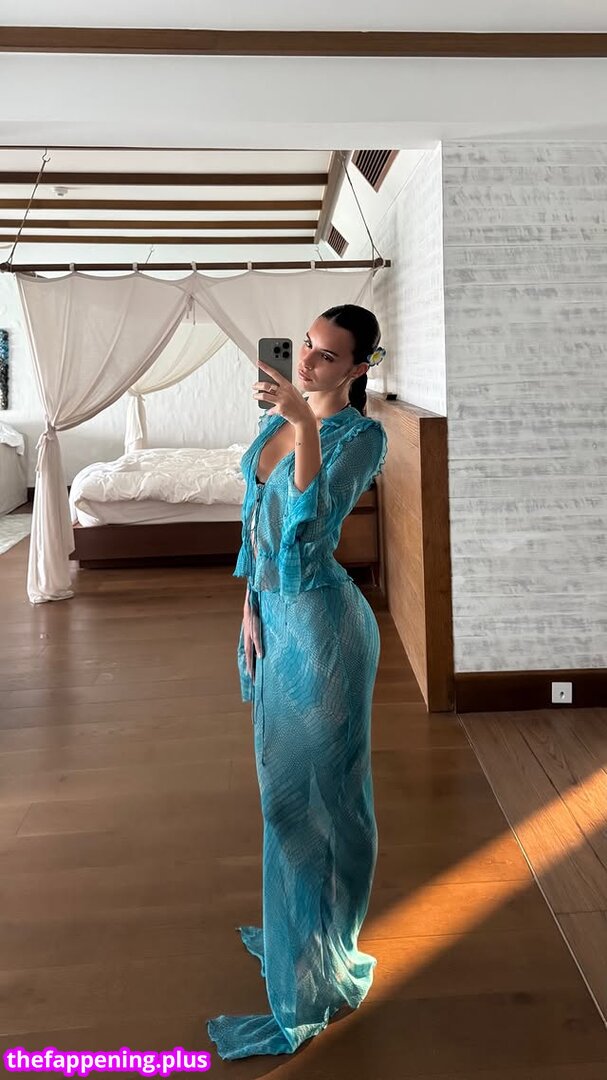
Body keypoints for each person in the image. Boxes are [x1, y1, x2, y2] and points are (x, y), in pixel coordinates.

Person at [206, 304, 388, 1059]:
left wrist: (305, 423)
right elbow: (258, 519)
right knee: (282, 800)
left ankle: (321, 971)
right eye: (305, 346)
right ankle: (301, 937)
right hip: (275, 624)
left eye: (326, 356)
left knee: (325, 803)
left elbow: (309, 535)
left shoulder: (360, 438)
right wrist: (248, 604)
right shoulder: (273, 422)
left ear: (358, 368)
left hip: (323, 634)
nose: (307, 362)